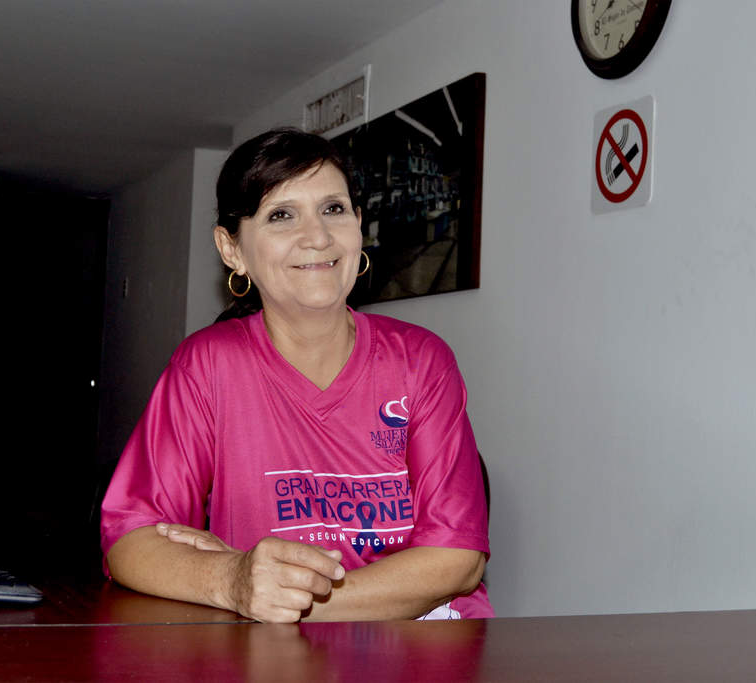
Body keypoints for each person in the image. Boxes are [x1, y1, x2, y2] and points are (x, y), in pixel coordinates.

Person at [101, 128, 493, 622]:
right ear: (231, 248)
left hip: (424, 641)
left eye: (333, 209)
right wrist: (231, 579)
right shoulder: (208, 366)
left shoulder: (421, 360)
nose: (318, 236)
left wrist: (281, 603)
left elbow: (458, 560)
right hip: (274, 654)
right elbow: (131, 537)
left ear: (358, 225)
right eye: (281, 215)